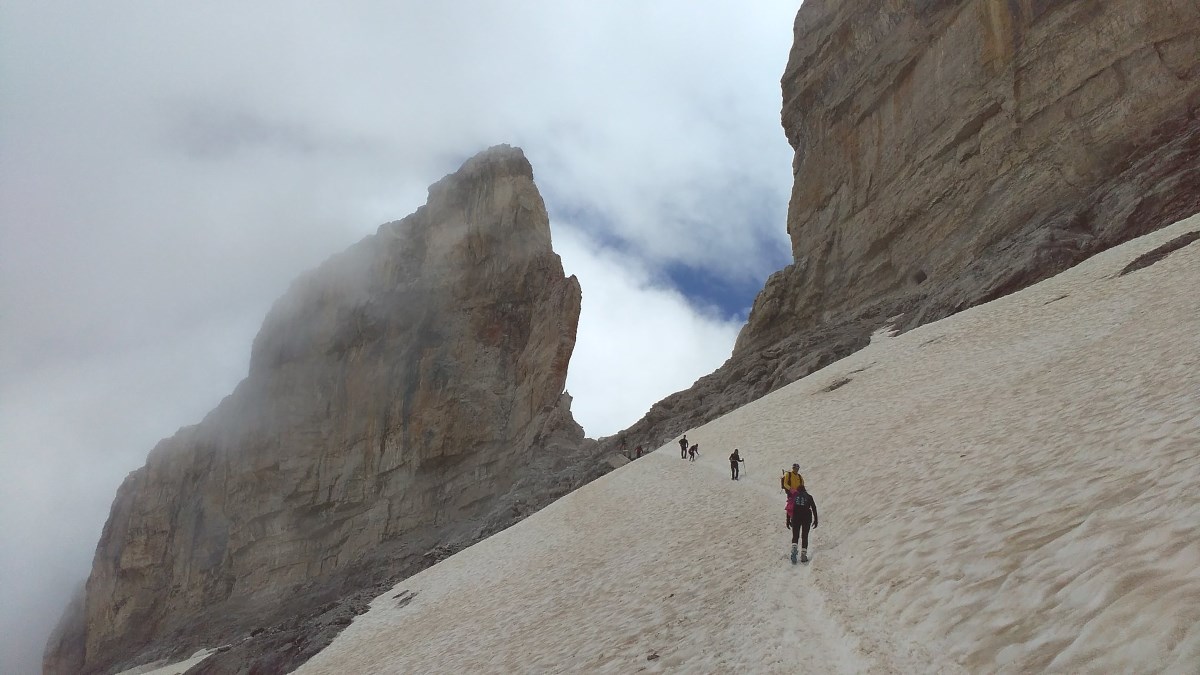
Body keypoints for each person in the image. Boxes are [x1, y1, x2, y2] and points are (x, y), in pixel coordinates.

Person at [789, 484, 819, 563]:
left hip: (795, 517)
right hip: (806, 517)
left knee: (795, 535)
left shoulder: (793, 496)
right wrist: (816, 520)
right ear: (805, 489)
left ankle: (794, 549)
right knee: (804, 536)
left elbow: (789, 508)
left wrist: (788, 520)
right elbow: (814, 508)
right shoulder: (809, 497)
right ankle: (803, 554)